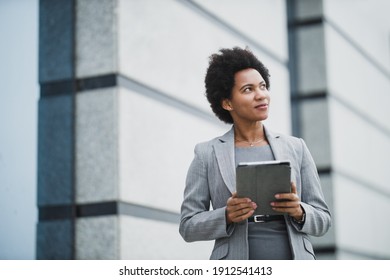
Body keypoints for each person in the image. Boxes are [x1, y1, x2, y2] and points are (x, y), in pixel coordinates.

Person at [179, 47, 331, 260]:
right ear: (227, 102)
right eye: (248, 89)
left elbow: (323, 219)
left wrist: (299, 210)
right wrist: (226, 215)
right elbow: (188, 226)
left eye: (262, 86)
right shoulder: (206, 154)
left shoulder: (296, 147)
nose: (261, 95)